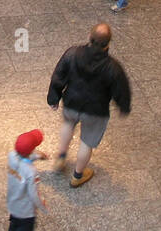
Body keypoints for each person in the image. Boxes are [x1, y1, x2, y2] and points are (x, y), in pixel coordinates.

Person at [48, 23, 131, 188]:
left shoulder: (72, 54)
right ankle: (77, 175)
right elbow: (121, 90)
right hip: (95, 111)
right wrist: (123, 107)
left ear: (89, 37)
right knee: (87, 142)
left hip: (71, 102)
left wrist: (54, 98)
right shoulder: (113, 67)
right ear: (108, 43)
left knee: (67, 124)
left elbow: (58, 76)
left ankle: (61, 157)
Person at [0, 129, 47, 231]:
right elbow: (34, 194)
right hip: (26, 209)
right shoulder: (31, 172)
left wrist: (36, 156)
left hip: (13, 202)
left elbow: (22, 158)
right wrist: (43, 206)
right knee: (25, 230)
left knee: (14, 224)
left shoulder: (11, 156)